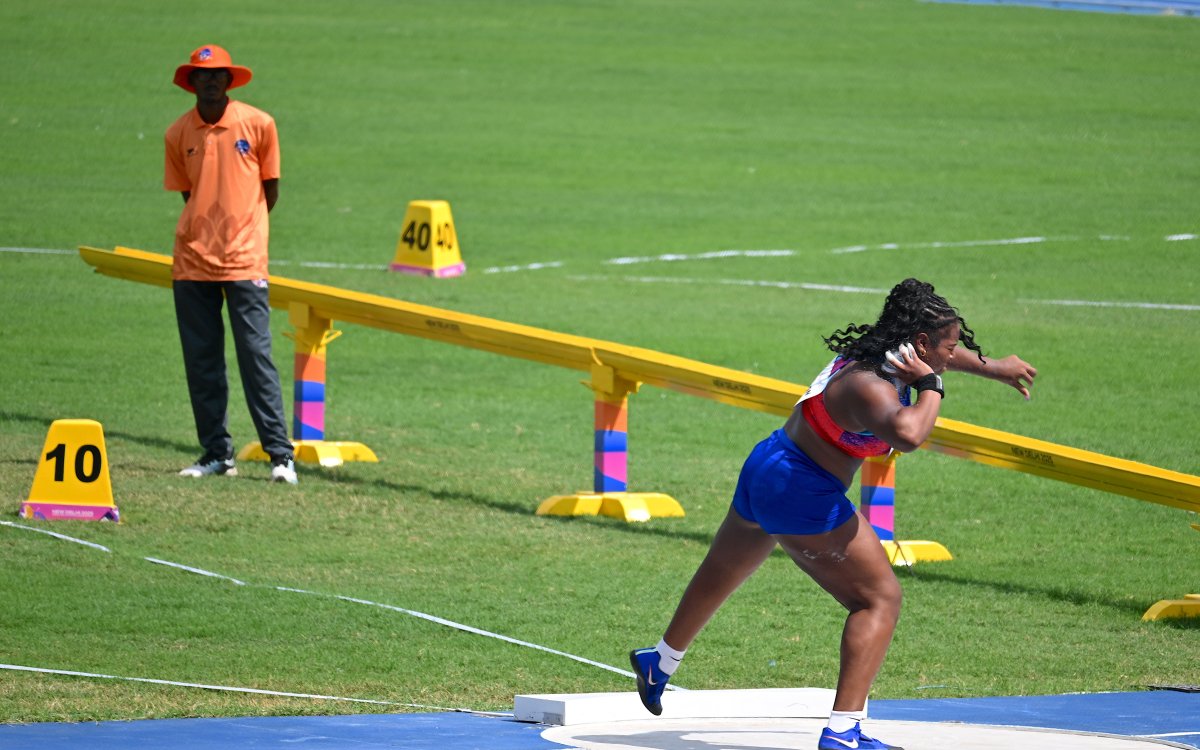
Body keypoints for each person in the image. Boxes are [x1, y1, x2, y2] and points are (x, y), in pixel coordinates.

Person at [629, 278, 1037, 750]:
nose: (953, 355)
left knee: (723, 570)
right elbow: (908, 434)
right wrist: (931, 386)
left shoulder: (881, 349)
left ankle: (660, 662)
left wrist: (995, 367)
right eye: (947, 348)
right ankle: (843, 733)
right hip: (803, 489)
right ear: (920, 346)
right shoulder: (871, 386)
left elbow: (940, 354)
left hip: (769, 464)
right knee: (879, 600)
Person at [164, 44, 297, 484]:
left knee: (256, 356)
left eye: (218, 73)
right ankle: (217, 454)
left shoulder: (258, 124)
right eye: (203, 74)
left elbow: (270, 190)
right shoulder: (177, 133)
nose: (211, 80)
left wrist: (245, 230)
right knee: (202, 361)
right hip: (192, 262)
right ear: (191, 82)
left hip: (244, 260)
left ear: (229, 79)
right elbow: (191, 195)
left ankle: (281, 457)